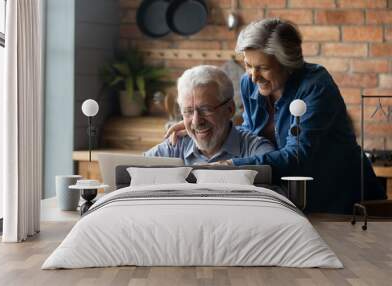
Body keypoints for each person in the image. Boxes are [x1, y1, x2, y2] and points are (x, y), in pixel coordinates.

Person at [165, 19, 386, 213]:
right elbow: (251, 135)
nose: (253, 76)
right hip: (295, 199)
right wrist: (202, 124)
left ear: (287, 63)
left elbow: (296, 155)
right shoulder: (248, 84)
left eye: (262, 67)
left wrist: (230, 164)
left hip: (344, 199)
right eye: (248, 65)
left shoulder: (316, 85)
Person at [145, 65, 274, 165]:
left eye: (206, 109)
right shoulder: (174, 148)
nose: (196, 121)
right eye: (188, 111)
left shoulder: (255, 150)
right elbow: (130, 170)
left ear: (230, 109)